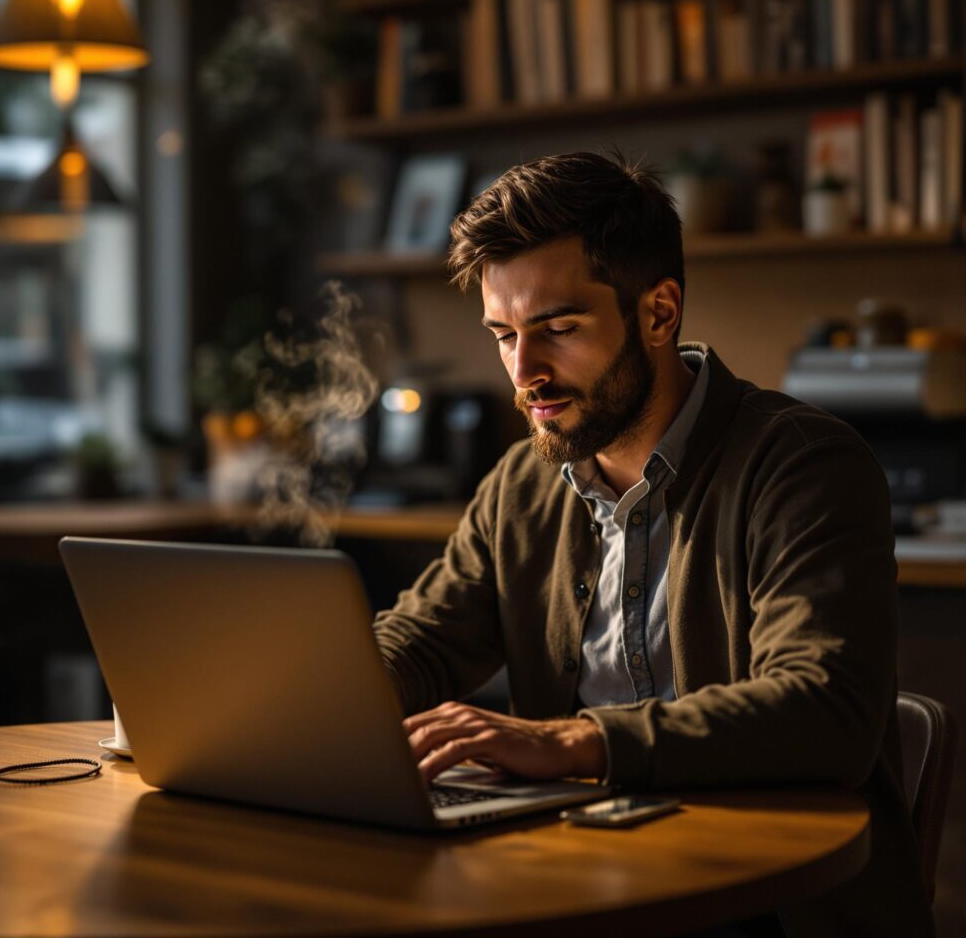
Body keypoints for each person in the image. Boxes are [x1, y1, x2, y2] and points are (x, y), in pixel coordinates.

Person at [372, 152, 933, 937]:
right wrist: (300, 699)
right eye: (503, 335)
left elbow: (825, 709)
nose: (523, 372)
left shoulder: (804, 464)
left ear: (660, 313)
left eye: (557, 329)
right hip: (577, 887)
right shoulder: (523, 482)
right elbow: (422, 640)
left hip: (769, 903)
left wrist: (573, 742)